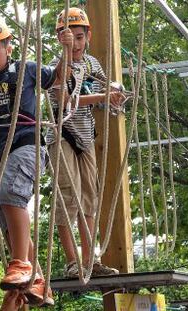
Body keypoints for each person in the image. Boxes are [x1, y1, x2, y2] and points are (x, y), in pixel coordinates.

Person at [0, 15, 73, 306]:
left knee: (11, 196)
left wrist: (66, 51)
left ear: (9, 47)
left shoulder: (26, 70)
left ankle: (21, 263)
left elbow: (58, 76)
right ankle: (37, 281)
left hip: (26, 145)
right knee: (7, 224)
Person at [46, 7, 125, 278]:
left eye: (80, 37)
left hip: (86, 135)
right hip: (61, 135)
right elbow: (64, 100)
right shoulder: (57, 66)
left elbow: (105, 87)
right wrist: (103, 97)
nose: (76, 44)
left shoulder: (92, 64)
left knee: (89, 198)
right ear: (60, 38)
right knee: (69, 196)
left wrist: (114, 92)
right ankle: (72, 261)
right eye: (70, 38)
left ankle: (91, 260)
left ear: (88, 35)